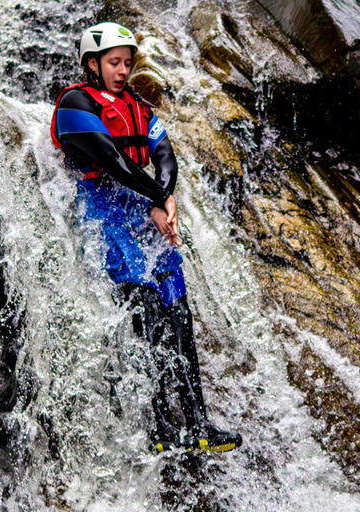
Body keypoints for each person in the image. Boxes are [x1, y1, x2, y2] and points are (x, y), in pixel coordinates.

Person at [50, 22, 242, 453]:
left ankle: (199, 422)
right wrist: (159, 198)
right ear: (92, 64)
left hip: (142, 207)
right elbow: (112, 160)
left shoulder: (137, 105)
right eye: (113, 63)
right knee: (147, 306)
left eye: (127, 63)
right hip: (104, 213)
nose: (123, 71)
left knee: (178, 307)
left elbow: (165, 156)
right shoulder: (75, 103)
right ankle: (160, 427)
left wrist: (164, 197)